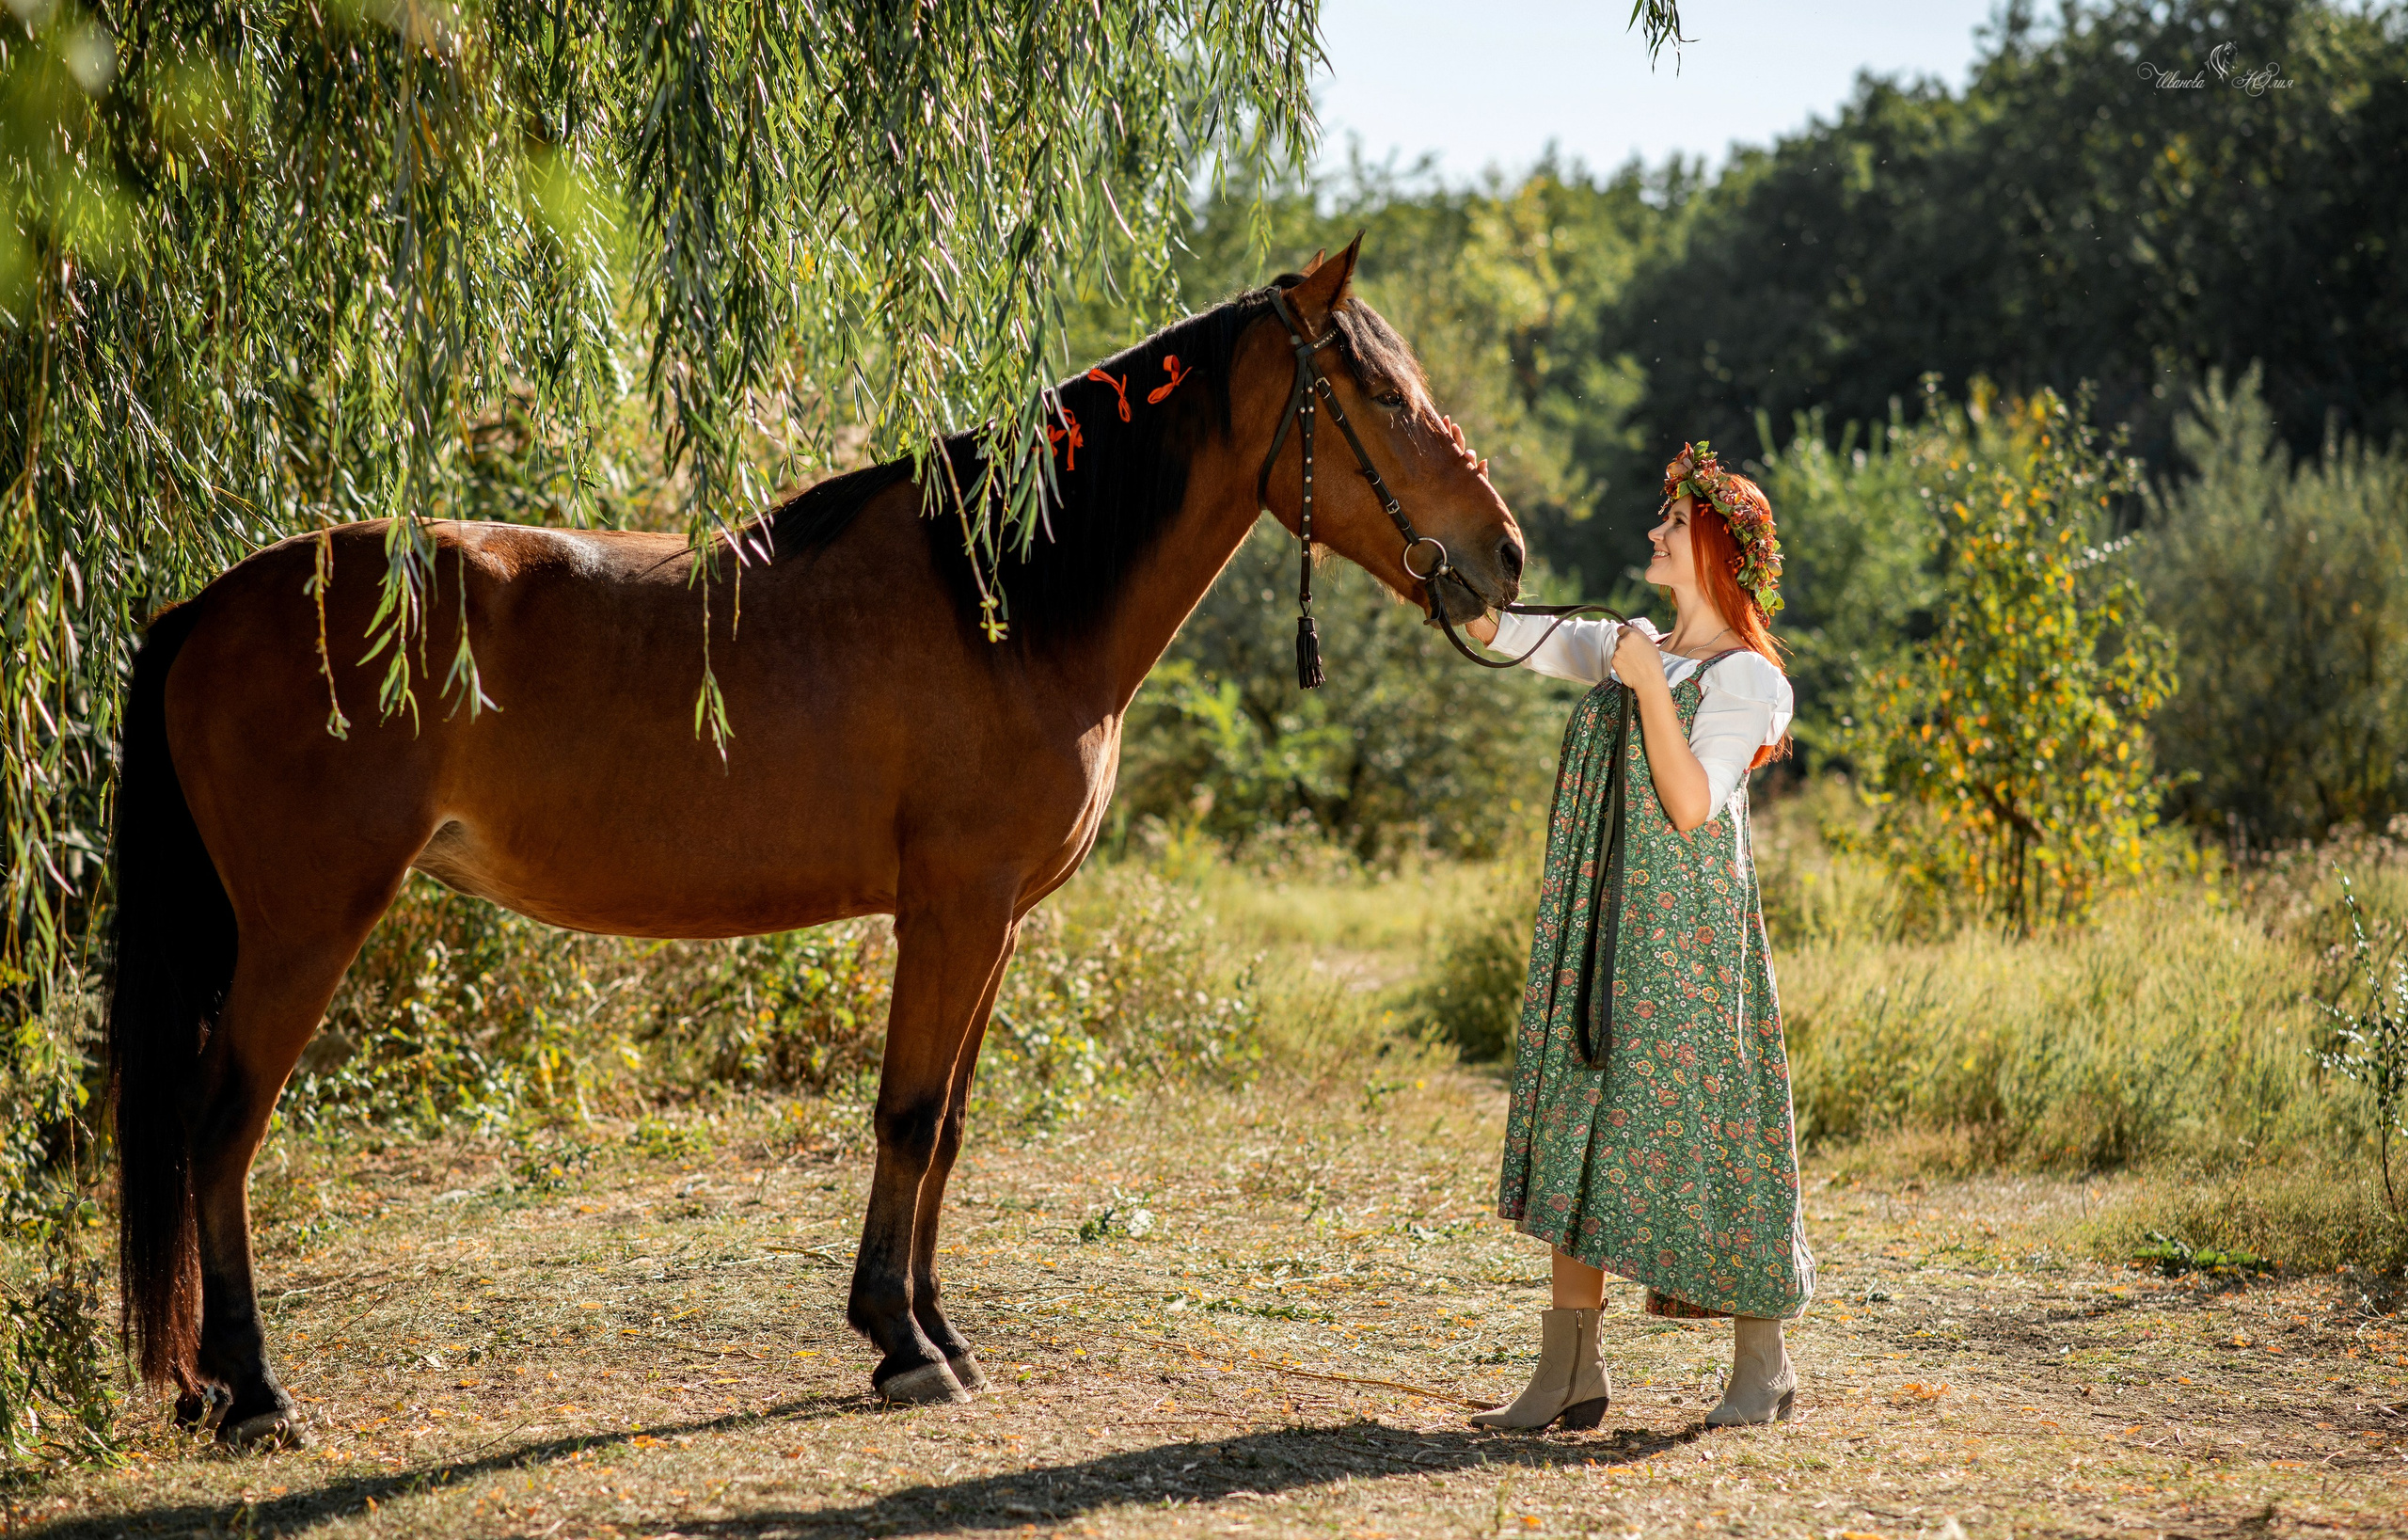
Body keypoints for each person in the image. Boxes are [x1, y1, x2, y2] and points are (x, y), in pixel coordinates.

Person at [1461, 439, 1814, 1430]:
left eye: (1671, 521)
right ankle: (1569, 1367)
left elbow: (1694, 801)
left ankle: (1762, 1364)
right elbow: (1507, 632)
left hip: (1690, 943)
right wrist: (1429, 554)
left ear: (1709, 544)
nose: (1654, 531)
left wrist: (1648, 682)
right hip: (1610, 916)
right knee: (1582, 1109)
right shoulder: (1633, 643)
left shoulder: (1746, 679)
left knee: (1716, 1130)